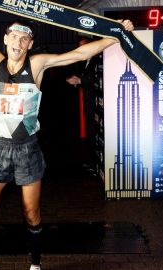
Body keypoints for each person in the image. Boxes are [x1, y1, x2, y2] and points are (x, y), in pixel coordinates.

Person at [0, 1, 134, 269]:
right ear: (5, 39)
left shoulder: (37, 65)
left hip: (27, 150)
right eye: (14, 36)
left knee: (31, 213)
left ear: (30, 44)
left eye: (24, 39)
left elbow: (77, 56)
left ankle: (35, 265)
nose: (18, 42)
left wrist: (114, 36)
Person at [65, 36, 102, 175]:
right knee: (88, 132)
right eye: (80, 47)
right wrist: (75, 81)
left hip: (95, 104)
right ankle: (91, 161)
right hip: (86, 102)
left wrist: (80, 80)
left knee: (93, 132)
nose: (82, 49)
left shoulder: (97, 60)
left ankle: (94, 163)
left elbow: (96, 79)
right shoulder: (83, 61)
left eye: (85, 46)